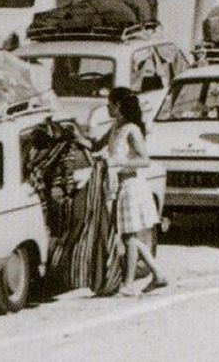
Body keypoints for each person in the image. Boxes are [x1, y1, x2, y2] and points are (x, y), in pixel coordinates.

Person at [84, 88, 169, 296]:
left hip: (133, 186)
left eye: (109, 104)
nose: (107, 108)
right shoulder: (116, 127)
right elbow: (96, 146)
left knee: (129, 236)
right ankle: (158, 274)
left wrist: (116, 162)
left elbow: (144, 160)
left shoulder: (132, 129)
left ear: (118, 105)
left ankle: (129, 283)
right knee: (128, 236)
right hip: (120, 186)